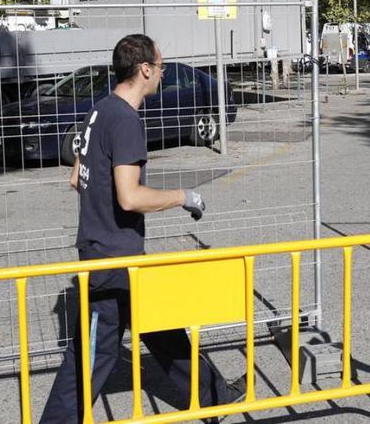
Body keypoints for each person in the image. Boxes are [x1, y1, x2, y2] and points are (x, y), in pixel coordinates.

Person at [40, 34, 241, 423]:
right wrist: (184, 196)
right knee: (94, 352)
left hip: (113, 247)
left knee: (161, 324)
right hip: (110, 256)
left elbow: (75, 177)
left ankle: (212, 396)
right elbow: (130, 197)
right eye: (162, 67)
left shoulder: (99, 111)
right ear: (145, 69)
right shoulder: (126, 121)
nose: (163, 74)